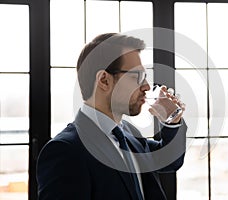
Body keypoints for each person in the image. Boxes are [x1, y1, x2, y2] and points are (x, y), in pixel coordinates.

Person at [36, 33, 187, 200]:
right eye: (137, 76)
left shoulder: (129, 133)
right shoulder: (66, 151)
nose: (146, 86)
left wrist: (173, 119)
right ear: (104, 80)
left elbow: (169, 160)